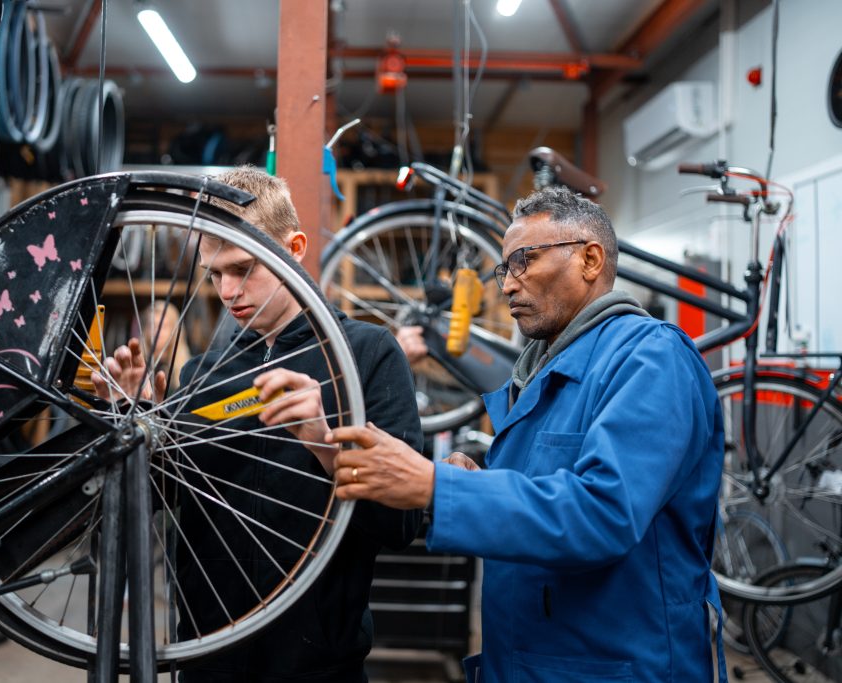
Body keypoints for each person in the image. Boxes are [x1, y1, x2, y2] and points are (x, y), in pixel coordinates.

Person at [327, 186, 726, 683]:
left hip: (615, 668)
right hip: (530, 662)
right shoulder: (540, 374)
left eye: (524, 261)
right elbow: (543, 494)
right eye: (504, 270)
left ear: (589, 259)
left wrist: (439, 487)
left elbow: (603, 513)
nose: (508, 286)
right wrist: (476, 480)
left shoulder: (649, 359)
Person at [95, 165, 423, 682]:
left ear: (294, 248)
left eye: (243, 268)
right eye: (214, 273)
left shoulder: (367, 356)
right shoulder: (202, 373)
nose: (227, 291)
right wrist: (132, 429)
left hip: (319, 665)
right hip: (207, 656)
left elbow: (404, 524)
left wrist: (325, 444)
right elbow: (150, 505)